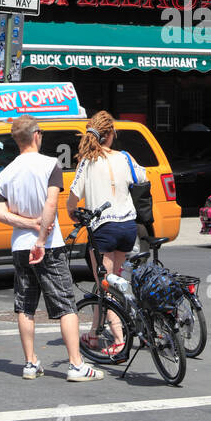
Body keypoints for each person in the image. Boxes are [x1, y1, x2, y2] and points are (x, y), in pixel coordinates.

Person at [0, 115, 102, 382]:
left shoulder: (5, 173)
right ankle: (76, 365)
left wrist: (27, 225)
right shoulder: (50, 164)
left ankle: (30, 363)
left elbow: (0, 213)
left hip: (20, 245)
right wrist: (40, 237)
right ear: (37, 135)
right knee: (65, 304)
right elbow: (51, 206)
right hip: (49, 245)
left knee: (25, 305)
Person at [66, 111, 138, 353]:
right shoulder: (124, 157)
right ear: (111, 135)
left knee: (107, 285)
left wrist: (73, 212)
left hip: (104, 228)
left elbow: (73, 198)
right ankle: (95, 336)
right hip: (128, 226)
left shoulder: (87, 161)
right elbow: (141, 177)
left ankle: (119, 339)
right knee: (110, 282)